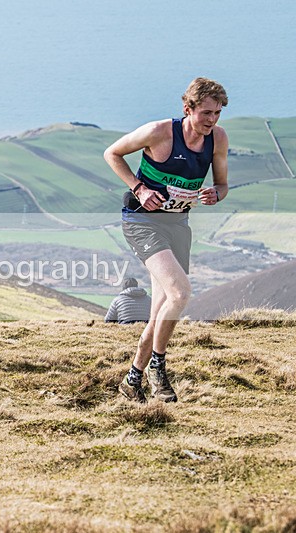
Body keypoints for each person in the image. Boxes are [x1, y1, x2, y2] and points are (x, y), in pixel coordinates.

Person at [104, 77, 229, 403]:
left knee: (162, 307)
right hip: (142, 222)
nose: (212, 120)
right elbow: (112, 153)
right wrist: (139, 188)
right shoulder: (159, 132)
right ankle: (158, 367)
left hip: (177, 225)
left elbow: (223, 184)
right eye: (205, 113)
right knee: (180, 291)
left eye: (217, 113)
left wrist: (216, 193)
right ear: (187, 109)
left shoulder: (217, 139)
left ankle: (132, 380)